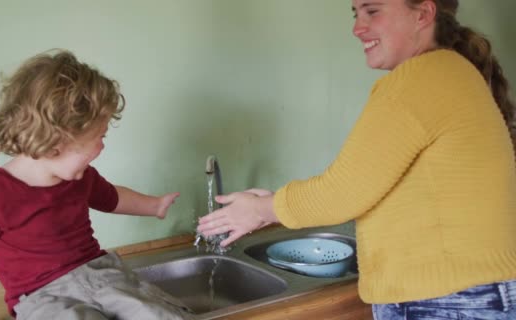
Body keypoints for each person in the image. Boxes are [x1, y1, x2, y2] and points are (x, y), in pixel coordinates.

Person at [197, 0, 516, 319]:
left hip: (448, 300)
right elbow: (378, 188)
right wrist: (274, 208)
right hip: (469, 295)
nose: (357, 27)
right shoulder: (449, 71)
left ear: (423, 14)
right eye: (356, 13)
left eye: (372, 11)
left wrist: (263, 210)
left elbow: (343, 192)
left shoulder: (419, 78)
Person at [0, 50, 191, 320]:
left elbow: (111, 198)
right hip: (43, 297)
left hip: (102, 276)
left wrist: (154, 205)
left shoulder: (80, 177)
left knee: (162, 315)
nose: (102, 146)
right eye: (99, 136)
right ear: (56, 143)